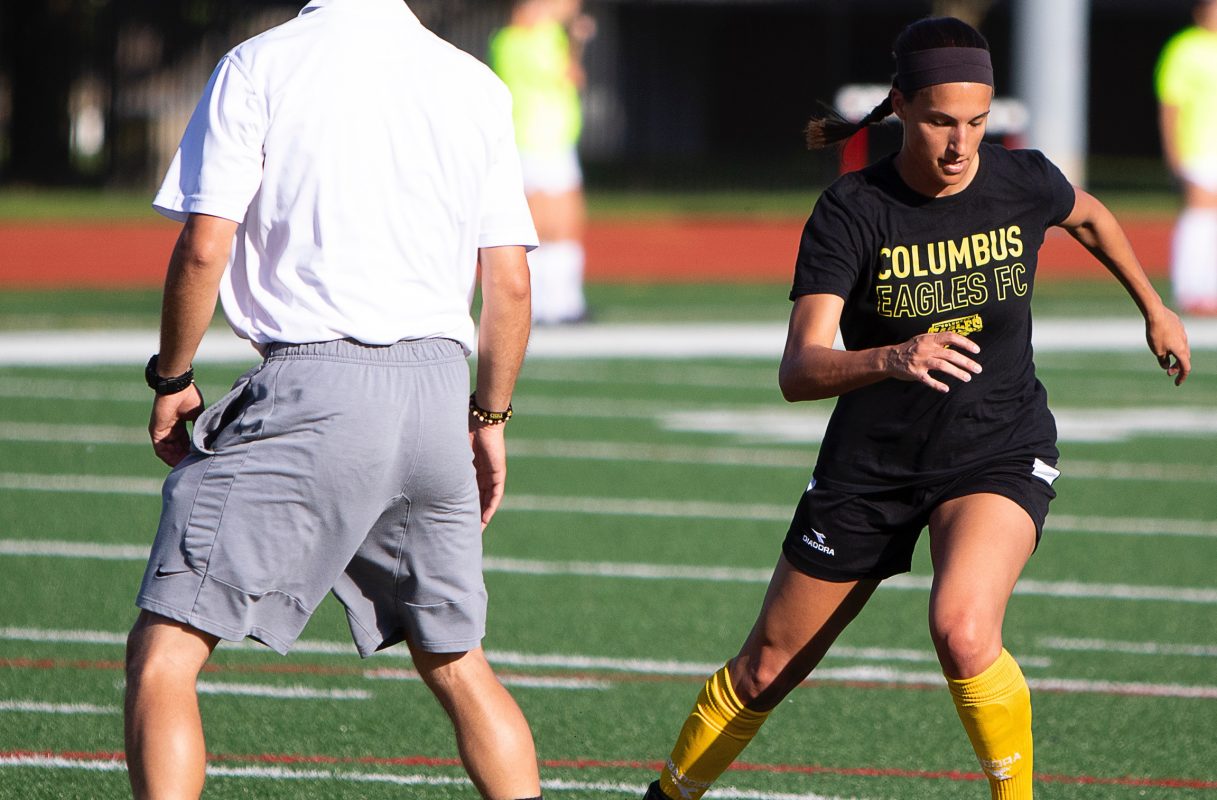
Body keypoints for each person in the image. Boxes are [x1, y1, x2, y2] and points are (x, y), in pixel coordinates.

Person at [643, 17, 1191, 800]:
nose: (960, 144)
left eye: (975, 121)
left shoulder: (1021, 180)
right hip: (872, 468)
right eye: (939, 120)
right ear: (899, 105)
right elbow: (798, 370)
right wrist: (891, 358)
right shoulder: (851, 210)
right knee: (764, 668)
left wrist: (1153, 307)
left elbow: (1092, 216)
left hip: (995, 446)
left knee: (964, 632)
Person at [123, 2, 543, 799]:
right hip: (437, 390)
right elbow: (511, 280)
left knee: (166, 652)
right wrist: (489, 418)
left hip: (314, 382)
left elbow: (205, 243)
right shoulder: (474, 82)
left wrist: (172, 379)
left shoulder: (260, 63)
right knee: (458, 662)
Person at [489, 0, 594, 324]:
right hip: (537, 140)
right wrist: (576, 42)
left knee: (560, 225)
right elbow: (571, 76)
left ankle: (562, 302)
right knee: (545, 224)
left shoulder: (523, 38)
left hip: (549, 139)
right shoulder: (521, 39)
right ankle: (547, 304)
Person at [1156, 0, 1217, 315]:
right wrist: (1174, 152)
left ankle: (1211, 289)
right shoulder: (1184, 48)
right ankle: (1191, 289)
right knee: (1200, 214)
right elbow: (1170, 104)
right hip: (1197, 145)